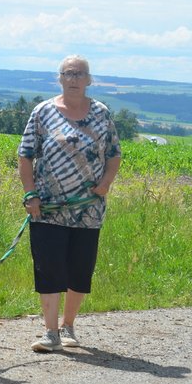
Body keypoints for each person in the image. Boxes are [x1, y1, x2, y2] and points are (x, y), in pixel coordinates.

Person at [17, 55, 122, 352]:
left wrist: (105, 185)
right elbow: (25, 155)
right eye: (68, 73)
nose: (74, 79)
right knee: (49, 269)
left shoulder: (101, 113)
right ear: (59, 79)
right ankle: (50, 333)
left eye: (80, 74)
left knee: (80, 270)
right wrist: (30, 193)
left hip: (89, 210)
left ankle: (68, 327)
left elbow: (114, 154)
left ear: (89, 80)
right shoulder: (43, 112)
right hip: (47, 209)